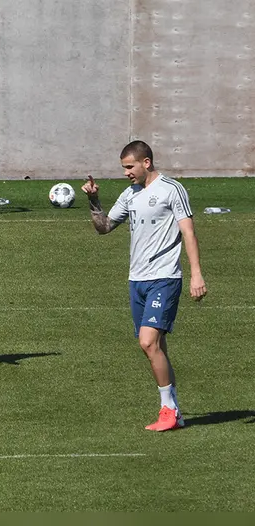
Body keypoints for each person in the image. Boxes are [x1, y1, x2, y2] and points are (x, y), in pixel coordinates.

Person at [82, 141, 206, 431]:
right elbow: (104, 227)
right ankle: (173, 411)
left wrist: (196, 274)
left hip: (164, 277)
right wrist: (93, 200)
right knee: (156, 346)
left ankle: (169, 410)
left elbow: (188, 231)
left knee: (148, 342)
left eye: (129, 167)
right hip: (136, 280)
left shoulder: (171, 190)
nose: (126, 173)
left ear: (146, 163)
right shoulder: (130, 194)